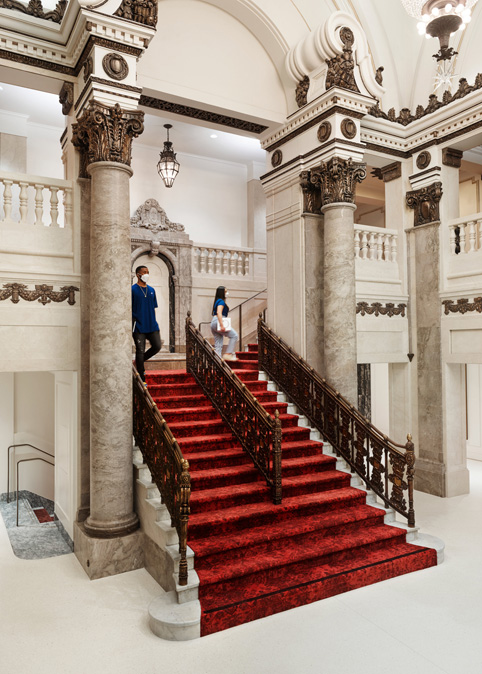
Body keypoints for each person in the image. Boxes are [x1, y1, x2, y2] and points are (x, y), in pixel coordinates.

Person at [132, 265, 161, 383]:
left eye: (148, 272)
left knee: (157, 346)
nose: (146, 274)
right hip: (138, 326)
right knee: (140, 350)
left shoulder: (152, 290)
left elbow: (153, 308)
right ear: (137, 274)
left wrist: (154, 321)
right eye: (144, 272)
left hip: (152, 326)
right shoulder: (132, 290)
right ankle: (142, 378)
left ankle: (138, 362)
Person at [210, 286, 238, 360]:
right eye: (225, 291)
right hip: (219, 321)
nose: (227, 293)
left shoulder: (217, 301)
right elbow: (219, 312)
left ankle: (217, 363)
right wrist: (222, 325)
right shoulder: (221, 301)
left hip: (213, 322)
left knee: (218, 346)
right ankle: (228, 354)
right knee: (234, 336)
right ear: (222, 293)